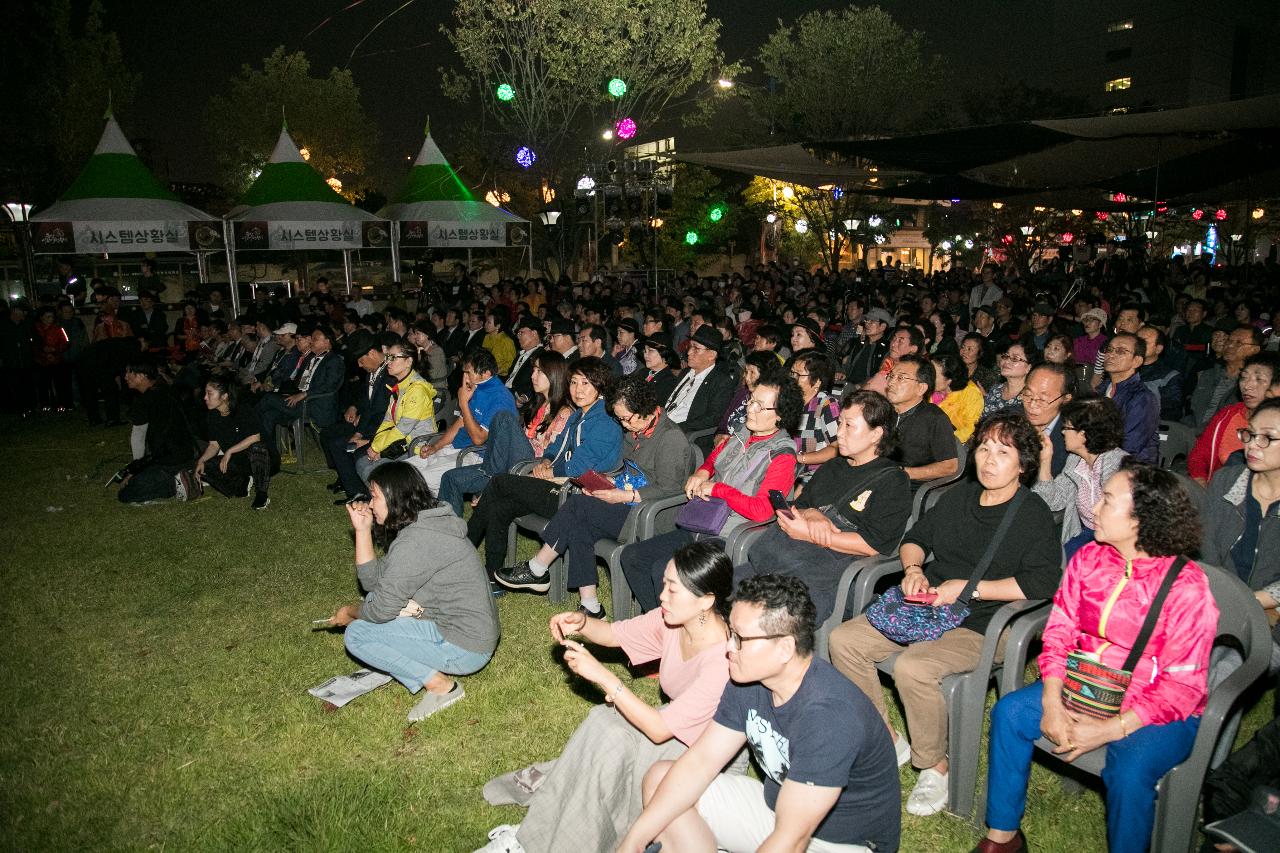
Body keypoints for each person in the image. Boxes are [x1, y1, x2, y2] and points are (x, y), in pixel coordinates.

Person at [828, 413, 1062, 818]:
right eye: (984, 448)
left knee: (914, 668)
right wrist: (915, 570)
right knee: (843, 640)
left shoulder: (1032, 514)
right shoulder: (959, 497)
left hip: (990, 620)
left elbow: (1042, 584)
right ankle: (887, 738)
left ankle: (934, 765)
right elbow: (915, 539)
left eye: (1003, 452)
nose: (989, 459)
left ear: (1023, 463)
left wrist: (970, 589)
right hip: (932, 605)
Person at [975, 461, 1215, 853]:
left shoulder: (1186, 587)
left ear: (1141, 519)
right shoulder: (1089, 558)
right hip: (1087, 680)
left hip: (1158, 707)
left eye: (1106, 500)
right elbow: (1059, 631)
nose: (1095, 509)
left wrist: (1109, 729)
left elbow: (1182, 687)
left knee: (1131, 769)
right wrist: (1051, 700)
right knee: (1010, 713)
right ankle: (1003, 836)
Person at [617, 574, 902, 853]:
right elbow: (700, 762)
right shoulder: (748, 680)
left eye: (740, 639)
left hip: (838, 842)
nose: (728, 647)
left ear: (784, 648)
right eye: (731, 633)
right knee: (661, 778)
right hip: (776, 813)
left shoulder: (829, 717)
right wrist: (634, 839)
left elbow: (792, 841)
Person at [477, 543, 734, 853]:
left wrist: (604, 677)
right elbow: (615, 635)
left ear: (706, 600)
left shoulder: (723, 659)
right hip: (674, 723)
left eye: (673, 589)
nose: (662, 595)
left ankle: (554, 839)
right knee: (602, 724)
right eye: (664, 583)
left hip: (705, 751)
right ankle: (539, 834)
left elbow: (659, 730)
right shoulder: (674, 621)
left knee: (611, 748)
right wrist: (583, 624)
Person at [494, 375, 693, 615]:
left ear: (646, 411)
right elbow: (627, 470)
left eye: (626, 418)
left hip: (651, 516)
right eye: (619, 419)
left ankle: (538, 567)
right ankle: (590, 605)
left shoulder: (670, 437)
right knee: (580, 524)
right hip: (628, 503)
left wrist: (623, 496)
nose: (623, 425)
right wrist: (606, 483)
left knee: (578, 505)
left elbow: (669, 488)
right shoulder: (635, 431)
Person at [325, 462, 499, 722]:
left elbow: (380, 610)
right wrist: (363, 531)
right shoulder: (427, 524)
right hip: (470, 632)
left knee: (357, 634)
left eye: (374, 497)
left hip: (465, 647)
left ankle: (440, 686)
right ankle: (407, 658)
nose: (370, 504)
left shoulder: (415, 542)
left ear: (395, 497)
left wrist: (349, 613)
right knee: (374, 600)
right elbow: (374, 583)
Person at [620, 376, 802, 613]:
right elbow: (714, 459)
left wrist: (718, 489)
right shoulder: (742, 433)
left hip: (731, 537)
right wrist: (702, 473)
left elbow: (762, 511)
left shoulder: (782, 457)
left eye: (759, 405)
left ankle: (673, 632)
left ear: (780, 414)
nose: (749, 409)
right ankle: (662, 627)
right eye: (750, 401)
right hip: (701, 523)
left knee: (662, 569)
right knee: (633, 557)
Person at [738, 390, 912, 624]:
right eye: (840, 423)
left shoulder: (892, 481)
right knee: (710, 591)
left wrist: (811, 534)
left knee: (760, 620)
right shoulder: (833, 467)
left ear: (876, 434)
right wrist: (814, 514)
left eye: (849, 426)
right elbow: (801, 505)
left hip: (821, 580)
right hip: (780, 563)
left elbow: (873, 545)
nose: (839, 433)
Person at [467, 358, 622, 606]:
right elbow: (556, 448)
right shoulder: (578, 416)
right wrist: (546, 461)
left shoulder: (604, 421)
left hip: (576, 496)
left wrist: (552, 471)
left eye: (586, 383)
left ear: (600, 387)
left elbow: (580, 467)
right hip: (559, 485)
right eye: (573, 382)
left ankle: (463, 548)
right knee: (500, 505)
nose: (578, 389)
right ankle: (492, 577)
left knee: (499, 483)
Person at [439, 351, 571, 517]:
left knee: (503, 417)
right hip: (506, 464)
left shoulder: (565, 413)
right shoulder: (538, 405)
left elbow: (551, 455)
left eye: (538, 371)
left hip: (531, 467)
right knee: (450, 478)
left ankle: (490, 484)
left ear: (554, 374)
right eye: (533, 371)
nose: (532, 376)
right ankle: (450, 534)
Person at [1201, 397, 1280, 675]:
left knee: (1225, 670)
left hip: (1270, 616)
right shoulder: (1227, 482)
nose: (1252, 444)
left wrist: (1246, 603)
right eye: (1250, 434)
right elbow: (1204, 547)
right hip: (1216, 601)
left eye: (1267, 438)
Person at [407, 348, 518, 493]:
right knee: (404, 472)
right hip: (456, 448)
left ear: (486, 373)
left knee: (416, 482)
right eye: (464, 372)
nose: (464, 378)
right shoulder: (477, 387)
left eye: (468, 373)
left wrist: (463, 403)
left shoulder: (500, 398)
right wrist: (436, 446)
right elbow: (460, 423)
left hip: (474, 456)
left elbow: (479, 439)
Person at [1034, 397, 1128, 560]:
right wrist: (1045, 460)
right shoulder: (1075, 461)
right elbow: (1052, 502)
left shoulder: (1119, 466)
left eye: (1066, 427)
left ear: (1083, 434)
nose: (1062, 432)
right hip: (1086, 535)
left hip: (1116, 541)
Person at [349, 339, 438, 497]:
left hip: (416, 447)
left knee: (373, 469)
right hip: (400, 443)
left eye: (393, 358)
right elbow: (388, 421)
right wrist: (376, 446)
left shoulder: (416, 390)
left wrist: (377, 448)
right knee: (363, 461)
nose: (388, 362)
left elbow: (403, 428)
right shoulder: (399, 387)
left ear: (408, 361)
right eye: (388, 357)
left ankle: (388, 503)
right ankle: (383, 501)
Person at [256, 325, 345, 471]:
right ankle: (266, 454)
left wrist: (304, 394)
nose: (311, 342)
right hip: (301, 402)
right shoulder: (311, 358)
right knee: (269, 414)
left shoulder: (334, 360)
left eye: (315, 339)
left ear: (327, 342)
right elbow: (298, 382)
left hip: (316, 405)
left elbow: (330, 386)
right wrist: (291, 392)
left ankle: (248, 433)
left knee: (267, 399)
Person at [1189, 353, 1280, 484]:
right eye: (1243, 378)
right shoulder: (1228, 414)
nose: (1247, 385)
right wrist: (1200, 481)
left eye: (1259, 379)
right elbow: (1199, 455)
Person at [116, 360, 197, 504]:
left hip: (168, 459)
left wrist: (135, 469)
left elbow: (138, 438)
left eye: (130, 373)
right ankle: (185, 474)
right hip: (189, 452)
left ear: (142, 376)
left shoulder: (144, 400)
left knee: (126, 494)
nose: (126, 377)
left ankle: (176, 483)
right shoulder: (166, 388)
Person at [196, 376, 271, 509]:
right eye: (205, 393)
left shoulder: (242, 410)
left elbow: (255, 437)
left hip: (261, 459)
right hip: (237, 461)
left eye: (209, 393)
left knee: (257, 447)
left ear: (224, 396)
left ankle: (261, 493)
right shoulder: (213, 416)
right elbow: (214, 445)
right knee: (205, 467)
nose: (205, 397)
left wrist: (230, 451)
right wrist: (201, 460)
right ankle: (242, 482)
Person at [884, 354, 960, 487]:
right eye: (891, 376)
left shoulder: (935, 418)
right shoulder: (883, 410)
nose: (891, 382)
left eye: (901, 378)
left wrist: (903, 473)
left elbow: (950, 466)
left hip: (906, 487)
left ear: (921, 388)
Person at [665, 326, 737, 444]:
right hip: (665, 425)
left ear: (711, 355)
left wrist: (676, 428)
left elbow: (713, 418)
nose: (689, 352)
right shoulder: (685, 373)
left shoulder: (721, 382)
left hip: (683, 435)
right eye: (690, 346)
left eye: (696, 348)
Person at [1098, 332, 1161, 464]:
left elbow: (1129, 447)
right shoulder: (1100, 390)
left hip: (1132, 471)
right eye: (1109, 349)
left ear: (1137, 361)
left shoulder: (1143, 398)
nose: (1111, 354)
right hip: (1099, 462)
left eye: (1120, 351)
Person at [789, 351, 842, 482]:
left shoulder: (826, 404)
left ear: (817, 381)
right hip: (788, 469)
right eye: (792, 373)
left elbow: (836, 449)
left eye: (799, 375)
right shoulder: (789, 400)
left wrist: (799, 458)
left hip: (814, 475)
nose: (792, 378)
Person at [934, 354, 985, 443]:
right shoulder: (926, 389)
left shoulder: (971, 393)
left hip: (954, 443)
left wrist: (941, 440)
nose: (927, 376)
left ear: (949, 380)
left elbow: (970, 429)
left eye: (933, 375)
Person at [980, 341, 1033, 419]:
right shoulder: (995, 389)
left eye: (1015, 358)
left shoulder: (1030, 398)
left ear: (1028, 368)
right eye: (1006, 356)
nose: (1007, 361)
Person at [640, 332, 681, 403]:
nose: (645, 354)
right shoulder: (643, 372)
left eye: (650, 350)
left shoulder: (669, 383)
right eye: (645, 350)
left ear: (664, 354)